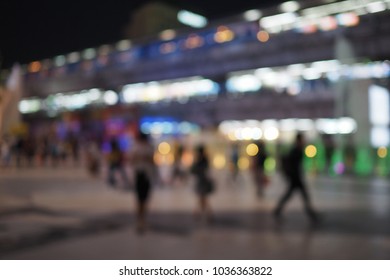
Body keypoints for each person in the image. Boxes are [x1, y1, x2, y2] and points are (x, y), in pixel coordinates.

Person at [273, 133, 318, 222]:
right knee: (301, 195)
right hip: (295, 177)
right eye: (302, 139)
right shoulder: (296, 150)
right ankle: (311, 213)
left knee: (293, 194)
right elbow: (293, 165)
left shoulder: (296, 150)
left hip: (295, 177)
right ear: (299, 140)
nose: (304, 141)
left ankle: (278, 210)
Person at [130, 132, 156, 233]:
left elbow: (152, 161)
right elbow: (132, 160)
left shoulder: (148, 148)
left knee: (143, 199)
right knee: (141, 199)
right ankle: (140, 220)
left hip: (145, 175)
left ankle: (142, 219)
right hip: (140, 175)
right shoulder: (136, 148)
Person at [191, 145, 214, 223]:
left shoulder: (201, 159)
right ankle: (204, 214)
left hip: (202, 181)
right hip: (202, 180)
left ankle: (203, 214)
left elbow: (195, 169)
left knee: (202, 198)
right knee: (202, 198)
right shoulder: (204, 159)